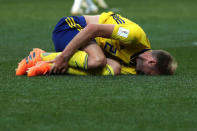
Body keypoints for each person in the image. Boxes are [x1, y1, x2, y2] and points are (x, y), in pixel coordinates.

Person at [16, 11, 177, 76]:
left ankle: (48, 66)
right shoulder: (135, 36)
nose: (145, 76)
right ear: (151, 61)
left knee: (113, 69)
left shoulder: (134, 67)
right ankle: (42, 56)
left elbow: (110, 67)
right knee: (98, 60)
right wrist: (64, 57)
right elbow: (92, 29)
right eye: (150, 73)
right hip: (71, 28)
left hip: (83, 45)